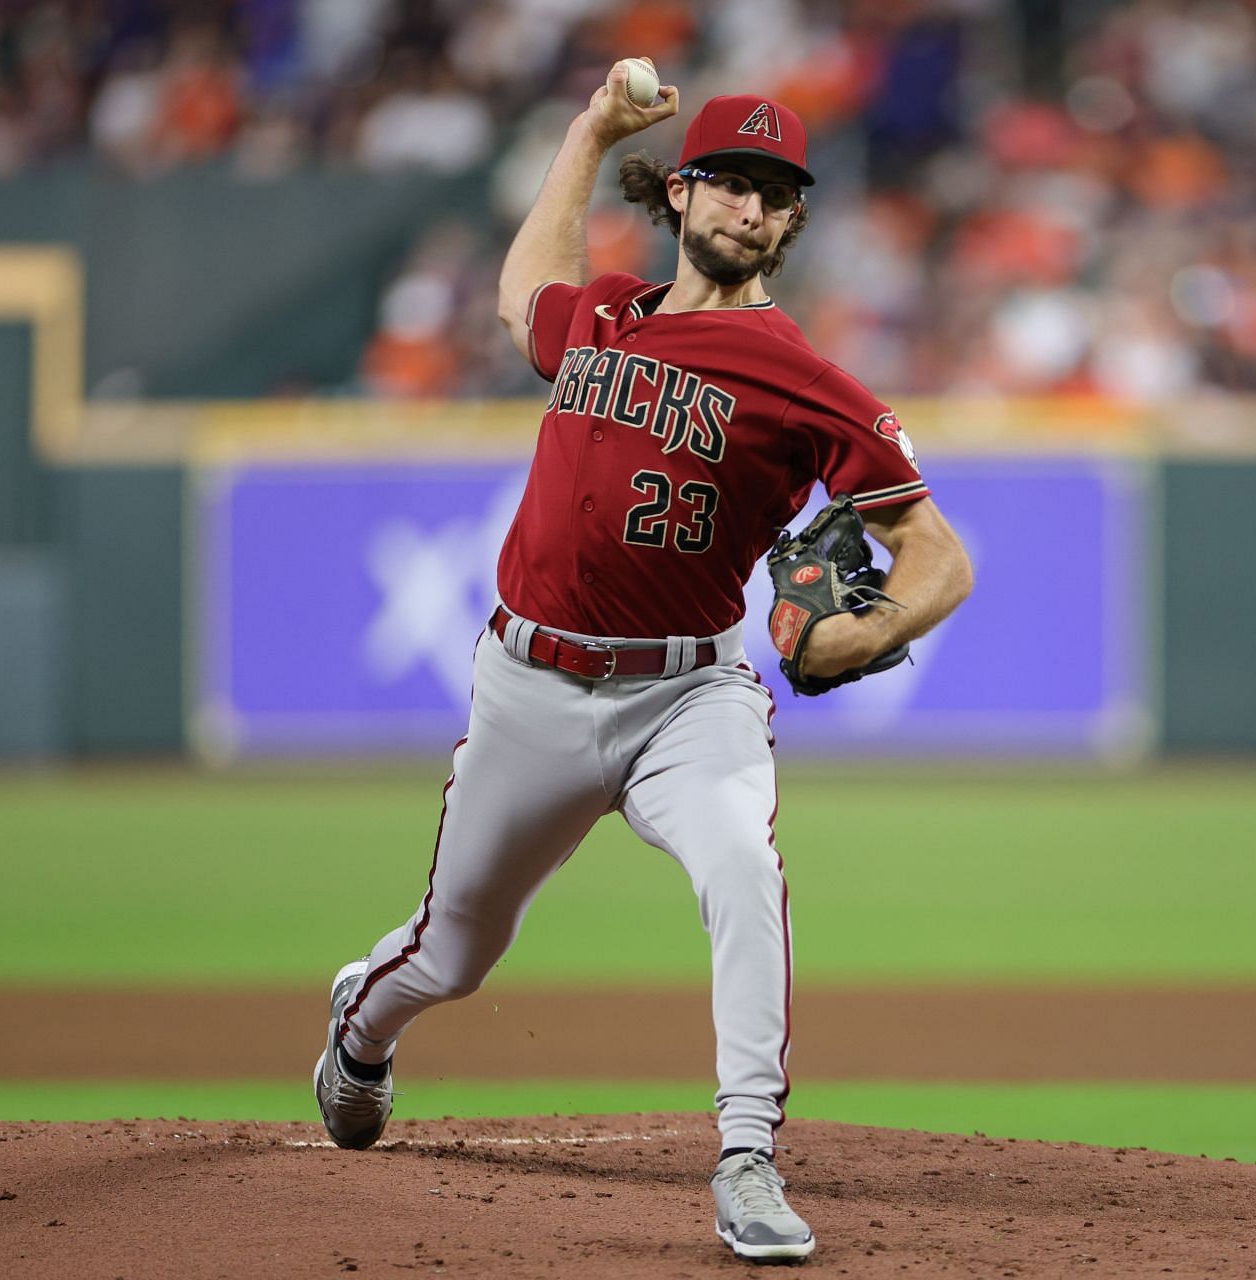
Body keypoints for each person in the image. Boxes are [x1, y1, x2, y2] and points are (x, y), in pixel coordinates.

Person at [313, 60, 973, 1264]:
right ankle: (361, 1029)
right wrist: (589, 128)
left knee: (741, 863)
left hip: (691, 691)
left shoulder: (809, 382)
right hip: (530, 686)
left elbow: (938, 550)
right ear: (679, 195)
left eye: (773, 193)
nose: (749, 208)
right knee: (454, 950)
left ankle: (747, 1156)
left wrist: (875, 630)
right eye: (727, 182)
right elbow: (524, 291)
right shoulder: (604, 314)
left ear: (791, 220)